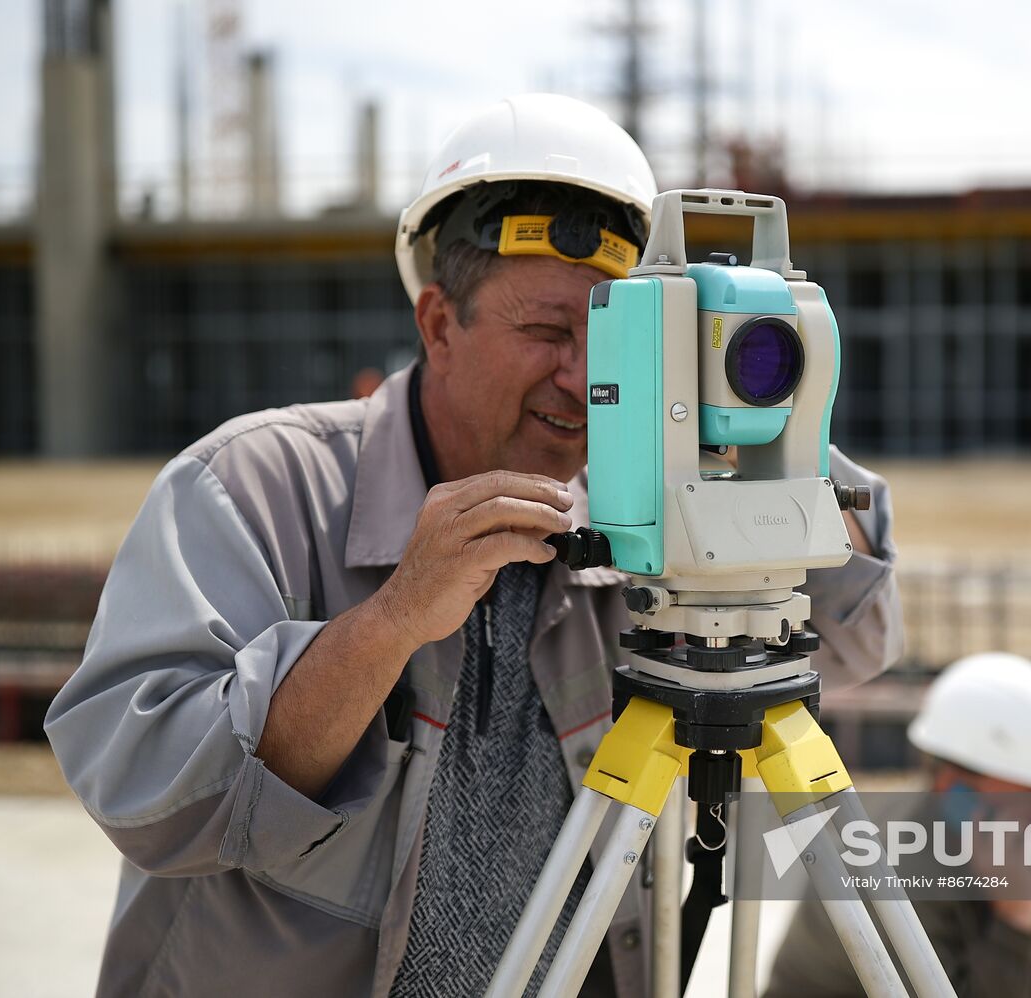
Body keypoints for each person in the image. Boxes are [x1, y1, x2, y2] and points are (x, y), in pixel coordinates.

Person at [45, 94, 904, 998]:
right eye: (545, 332)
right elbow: (147, 792)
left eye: (614, 339)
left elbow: (856, 635)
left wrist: (757, 409)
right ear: (438, 325)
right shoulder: (255, 487)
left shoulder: (637, 514)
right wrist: (391, 621)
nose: (582, 378)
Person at [766, 653, 1031, 997]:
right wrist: (1016, 918)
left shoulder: (1007, 842)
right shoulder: (890, 869)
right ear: (952, 783)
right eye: (1024, 794)